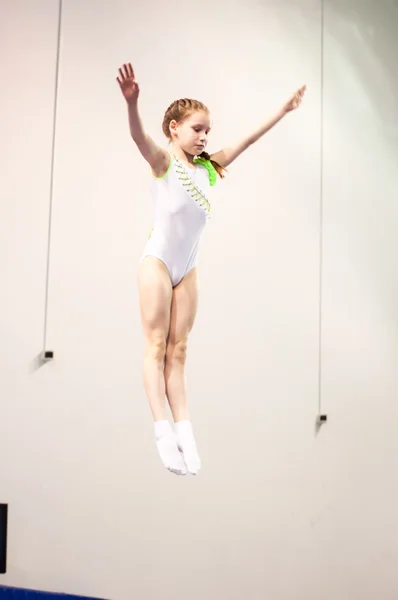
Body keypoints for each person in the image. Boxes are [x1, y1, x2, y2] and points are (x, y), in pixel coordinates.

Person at [117, 62, 306, 476]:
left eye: (207, 131)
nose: (204, 137)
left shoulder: (208, 169)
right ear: (173, 129)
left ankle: (185, 430)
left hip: (189, 269)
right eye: (196, 129)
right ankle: (162, 431)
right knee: (155, 345)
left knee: (179, 351)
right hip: (159, 261)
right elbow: (137, 136)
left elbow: (248, 139)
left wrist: (283, 110)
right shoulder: (164, 163)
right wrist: (133, 104)